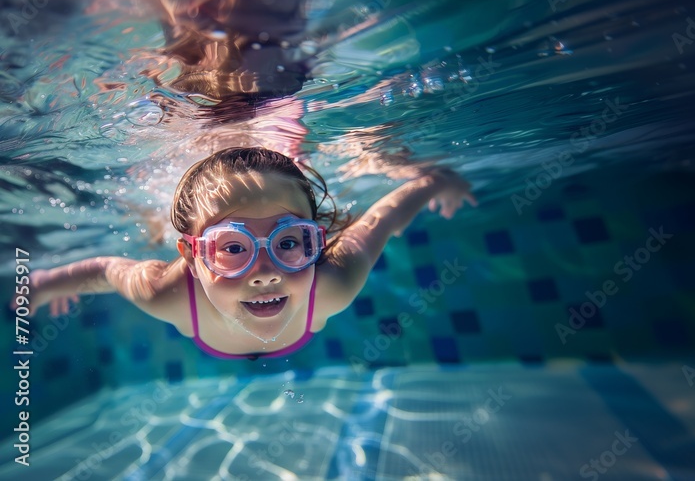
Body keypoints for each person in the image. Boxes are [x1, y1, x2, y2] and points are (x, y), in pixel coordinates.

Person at [24, 146, 477, 359]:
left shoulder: (333, 283)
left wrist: (436, 179)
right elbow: (106, 269)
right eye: (232, 248)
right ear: (191, 256)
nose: (264, 272)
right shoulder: (167, 292)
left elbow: (384, 219)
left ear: (314, 241)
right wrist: (45, 283)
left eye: (288, 242)